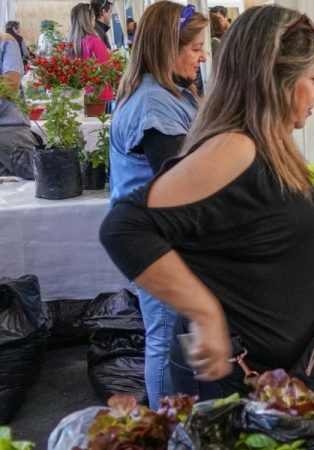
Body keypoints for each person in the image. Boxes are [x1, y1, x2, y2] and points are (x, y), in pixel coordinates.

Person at [100, 4, 314, 398]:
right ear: (273, 79)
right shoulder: (235, 147)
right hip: (245, 389)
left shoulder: (267, 144)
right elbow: (126, 226)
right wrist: (204, 311)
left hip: (280, 384)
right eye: (312, 78)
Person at [107, 1, 208, 408]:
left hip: (162, 240)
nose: (203, 56)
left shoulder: (171, 93)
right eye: (196, 48)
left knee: (174, 334)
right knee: (165, 337)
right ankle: (166, 427)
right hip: (156, 244)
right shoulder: (154, 104)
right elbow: (179, 183)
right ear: (168, 47)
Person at [0, 32, 36, 179]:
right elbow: (10, 84)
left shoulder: (5, 41)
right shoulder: (5, 40)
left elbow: (10, 84)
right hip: (9, 131)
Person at [67, 3, 114, 103]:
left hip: (78, 95)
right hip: (98, 95)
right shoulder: (94, 41)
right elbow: (106, 69)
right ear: (90, 20)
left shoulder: (69, 44)